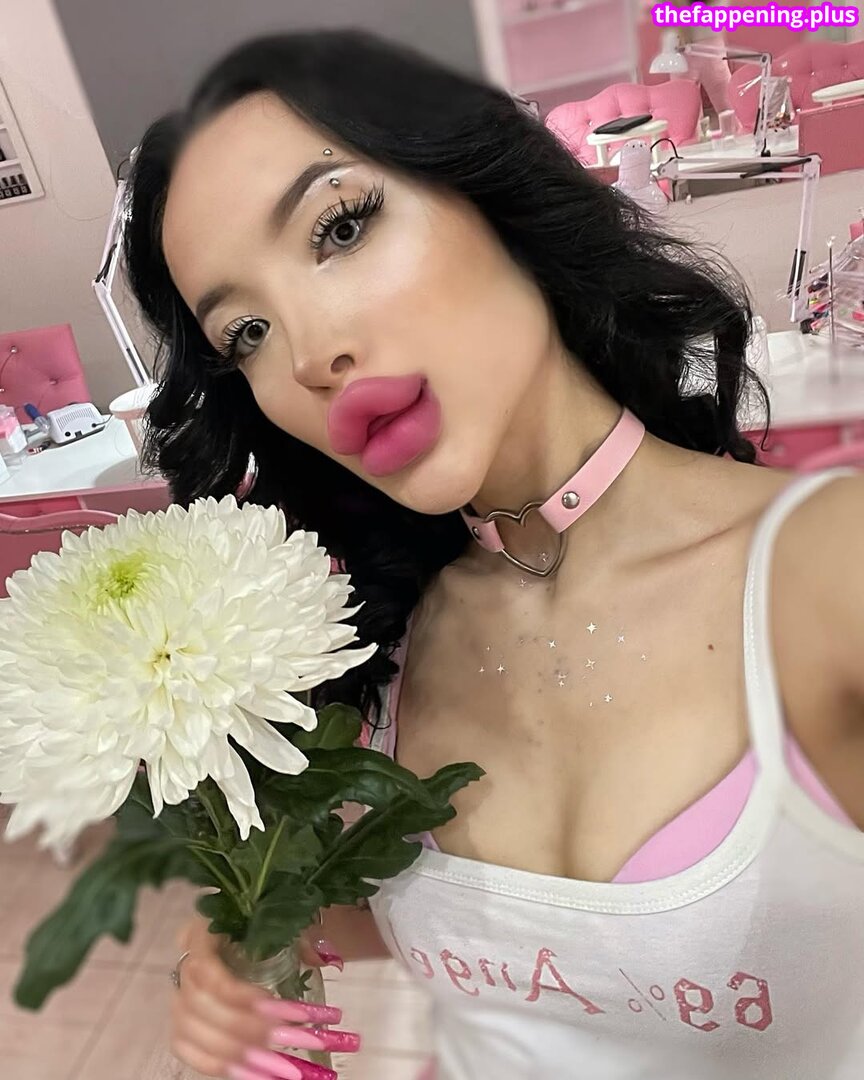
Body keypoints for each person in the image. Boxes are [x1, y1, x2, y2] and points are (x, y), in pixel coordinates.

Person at [123, 29, 864, 1080]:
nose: (312, 355)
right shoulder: (381, 642)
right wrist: (238, 946)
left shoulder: (828, 570)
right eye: (246, 333)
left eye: (341, 226)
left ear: (488, 190)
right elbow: (485, 942)